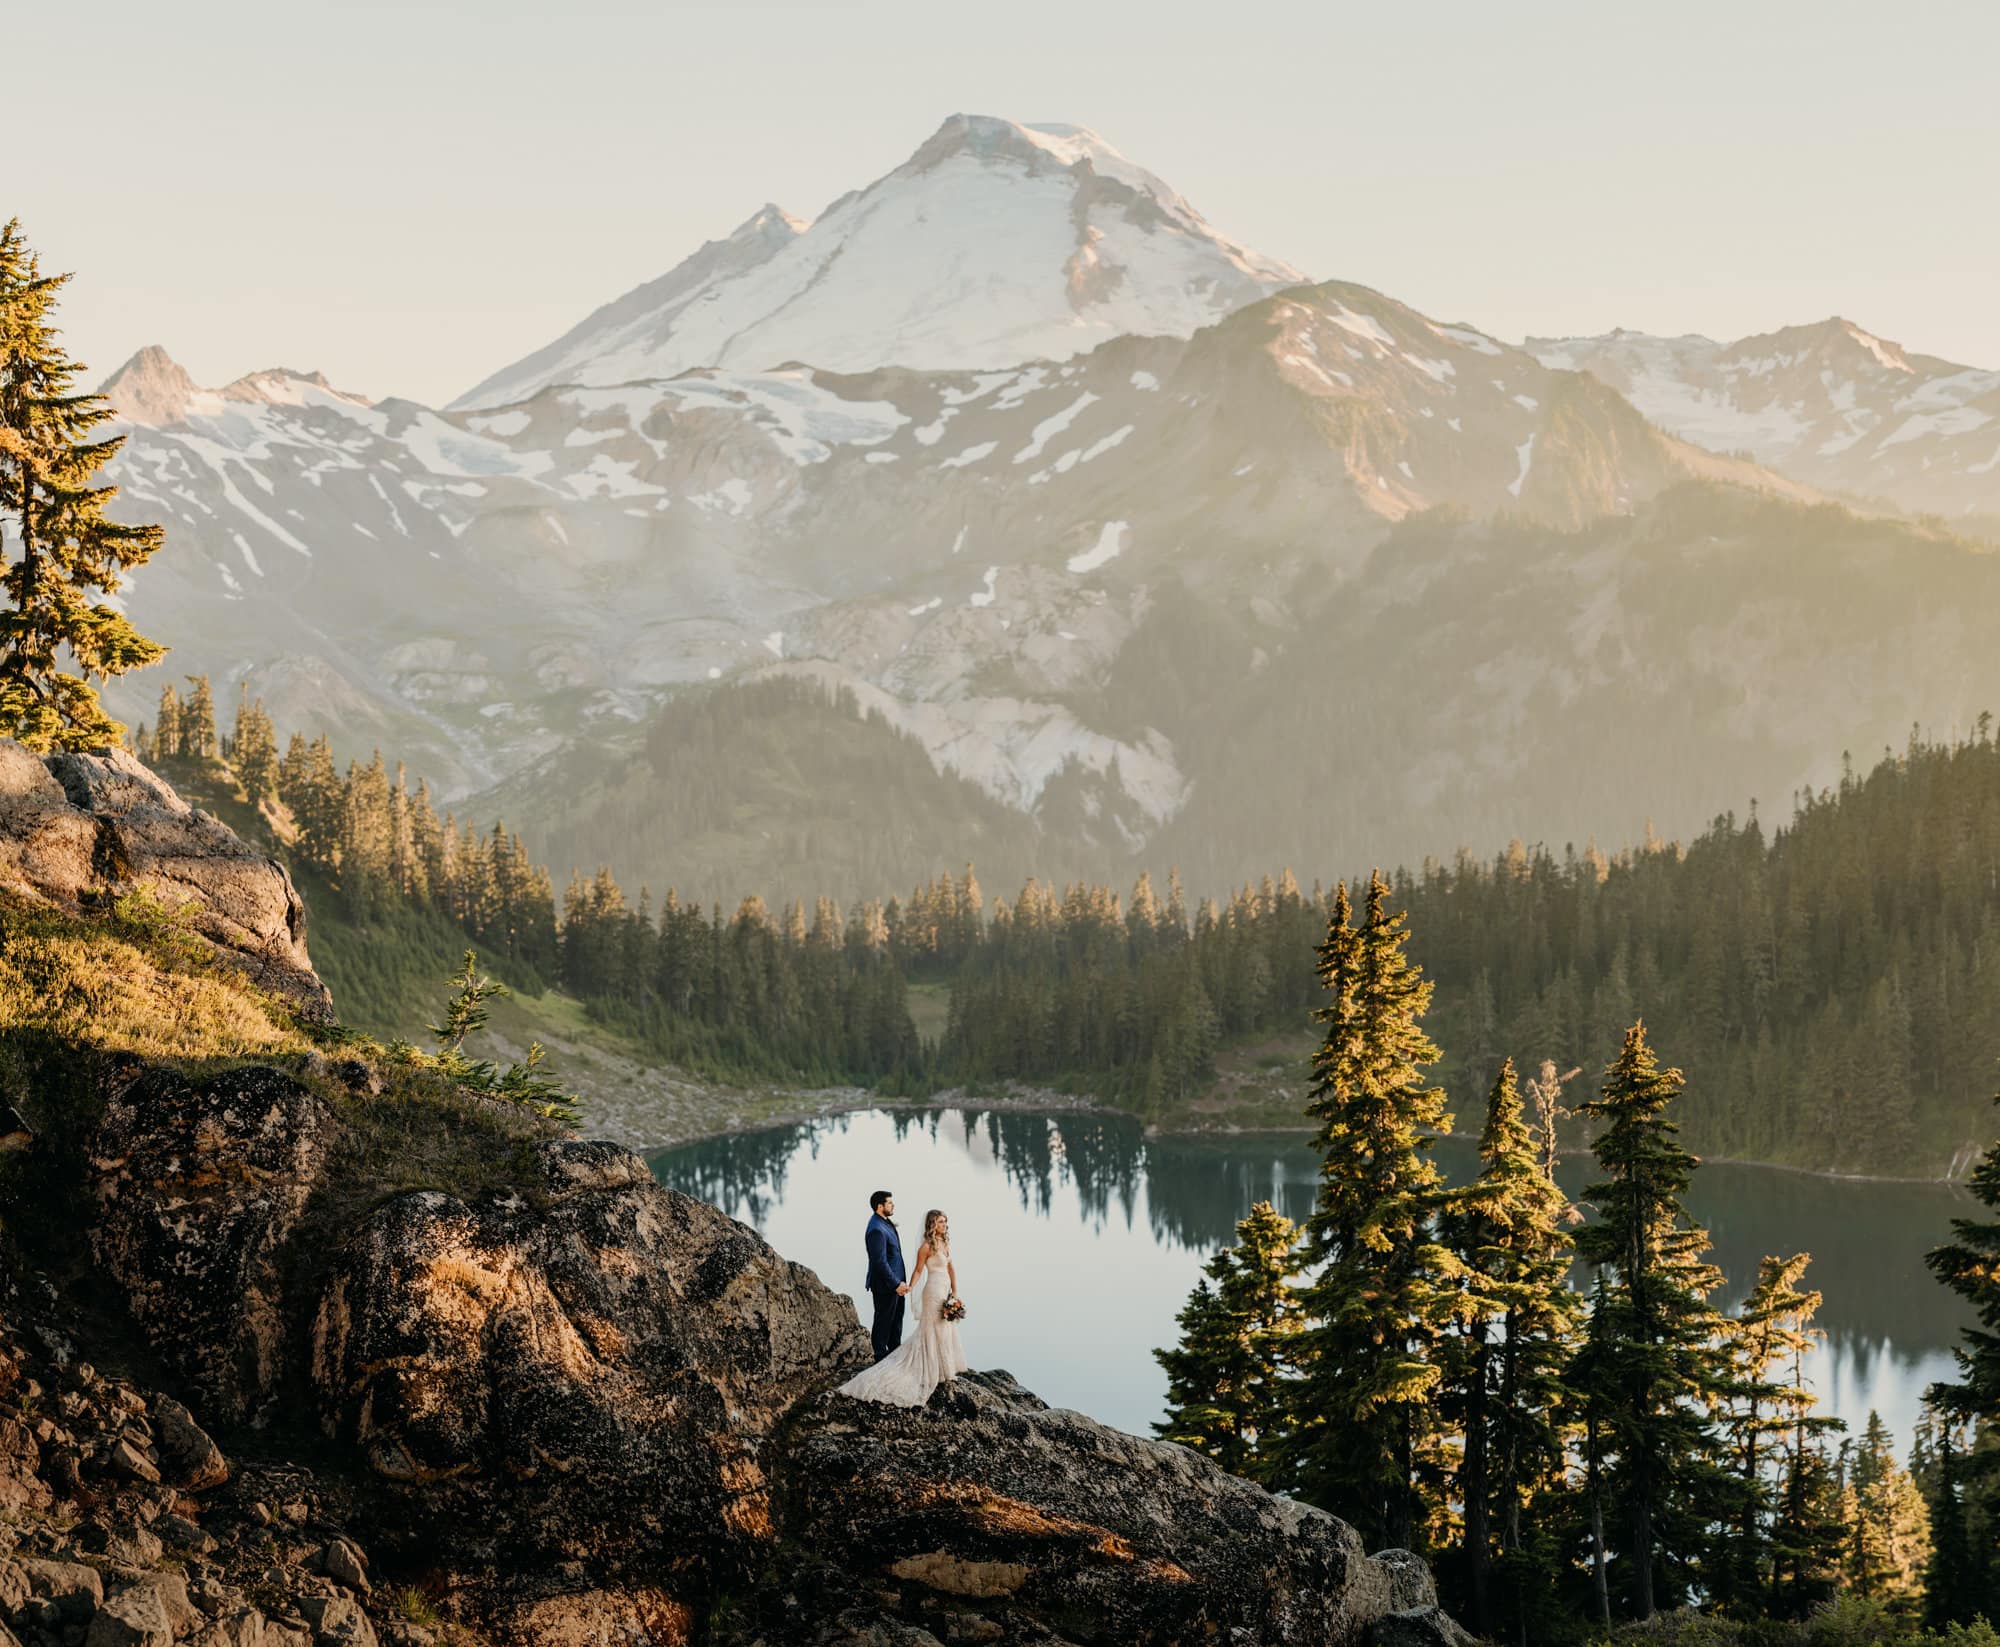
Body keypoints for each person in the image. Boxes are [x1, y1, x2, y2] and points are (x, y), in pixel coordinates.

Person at [837, 1207, 968, 1407]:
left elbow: (951, 1267)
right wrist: (909, 1287)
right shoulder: (925, 1247)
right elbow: (917, 1270)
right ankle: (927, 1367)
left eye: (945, 1222)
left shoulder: (945, 1242)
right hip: (932, 1291)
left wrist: (955, 1292)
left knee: (944, 1327)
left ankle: (943, 1368)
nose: (944, 1225)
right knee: (932, 1328)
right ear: (933, 1224)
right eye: (941, 1222)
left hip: (945, 1290)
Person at [863, 1189, 906, 1362]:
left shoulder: (885, 1222)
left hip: (896, 1284)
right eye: (889, 1202)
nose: (893, 1204)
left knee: (896, 1321)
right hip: (886, 1285)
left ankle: (895, 1356)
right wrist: (896, 1284)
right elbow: (879, 1262)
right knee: (883, 1322)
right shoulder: (876, 1229)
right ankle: (880, 1358)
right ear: (880, 1206)